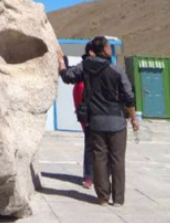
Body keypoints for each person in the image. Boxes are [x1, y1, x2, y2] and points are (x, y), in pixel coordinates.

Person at [57, 36, 140, 206]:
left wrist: (61, 65)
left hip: (95, 121)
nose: (110, 49)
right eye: (108, 47)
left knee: (99, 158)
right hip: (116, 122)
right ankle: (118, 199)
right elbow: (129, 96)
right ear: (104, 50)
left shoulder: (85, 67)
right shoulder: (116, 70)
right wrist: (133, 118)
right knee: (117, 160)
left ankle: (102, 196)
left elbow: (68, 77)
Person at [73, 41, 95, 189]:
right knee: (90, 143)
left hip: (98, 110)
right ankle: (89, 176)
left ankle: (94, 175)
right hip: (88, 110)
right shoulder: (85, 67)